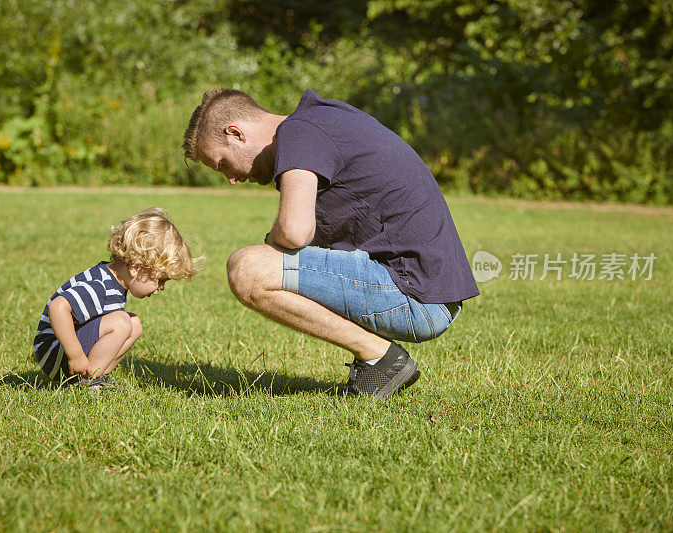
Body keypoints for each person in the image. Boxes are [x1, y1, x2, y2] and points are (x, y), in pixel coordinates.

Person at [183, 88, 479, 398]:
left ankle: (380, 358)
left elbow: (295, 232)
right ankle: (378, 358)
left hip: (415, 295)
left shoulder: (298, 132)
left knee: (248, 268)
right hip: (426, 292)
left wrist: (272, 242)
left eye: (221, 164)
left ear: (236, 134)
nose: (230, 178)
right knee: (265, 262)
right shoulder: (317, 121)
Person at [33, 207, 201, 390]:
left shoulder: (117, 284)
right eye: (160, 279)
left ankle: (97, 377)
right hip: (55, 352)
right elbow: (58, 307)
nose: (161, 287)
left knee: (134, 323)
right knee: (121, 322)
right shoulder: (100, 285)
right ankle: (86, 382)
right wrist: (75, 356)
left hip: (67, 350)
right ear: (136, 267)